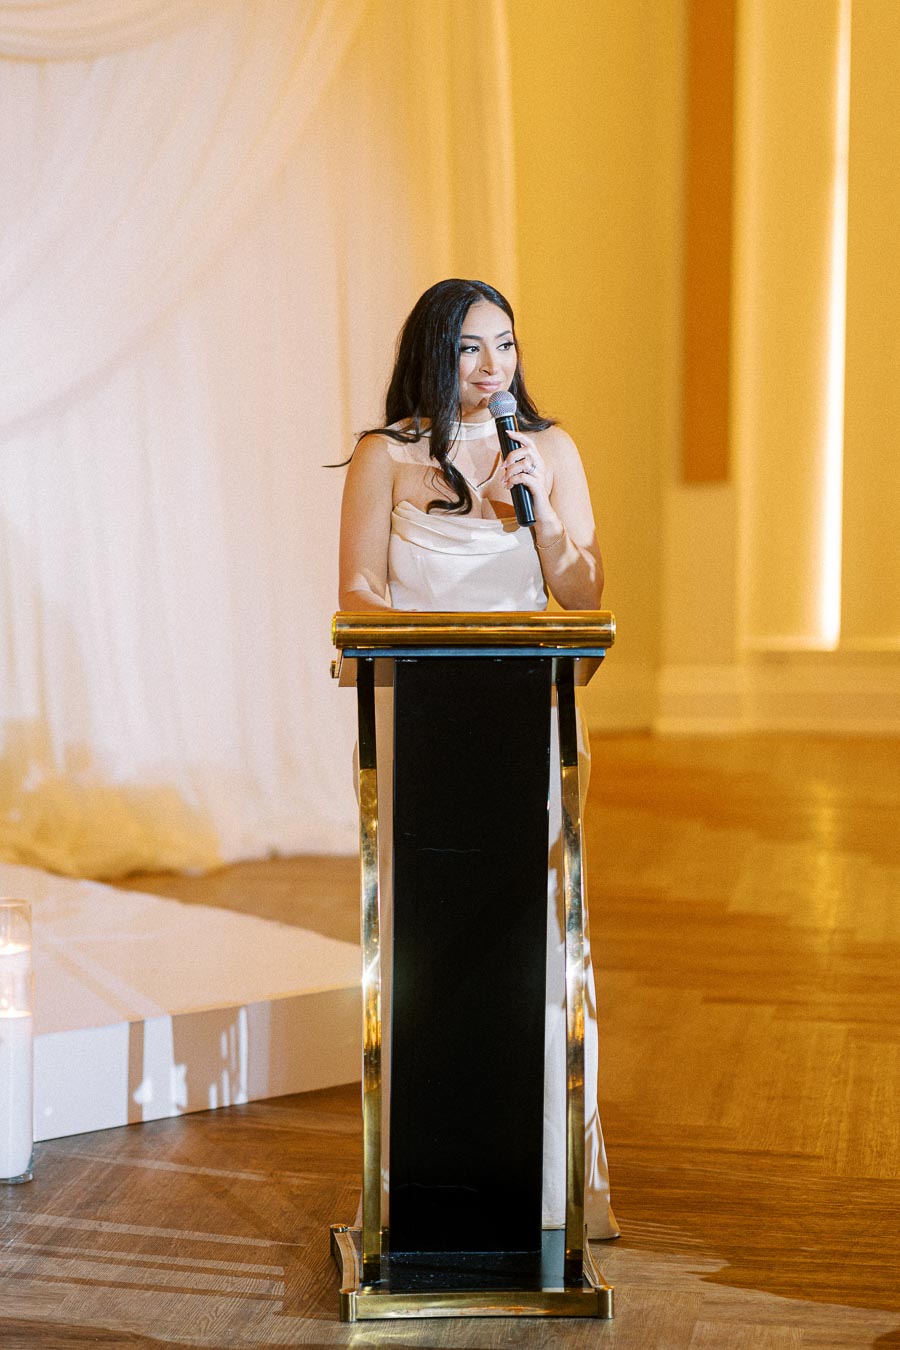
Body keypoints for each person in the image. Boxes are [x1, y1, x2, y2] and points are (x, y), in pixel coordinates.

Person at [338, 277, 618, 1240]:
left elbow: (580, 597)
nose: (493, 366)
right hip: (423, 726)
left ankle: (539, 1185)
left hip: (523, 728)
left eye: (505, 345)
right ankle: (428, 1176)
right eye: (470, 348)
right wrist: (435, 640)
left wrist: (536, 508)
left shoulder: (552, 451)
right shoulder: (385, 457)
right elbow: (359, 596)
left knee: (527, 935)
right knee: (427, 944)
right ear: (433, 352)